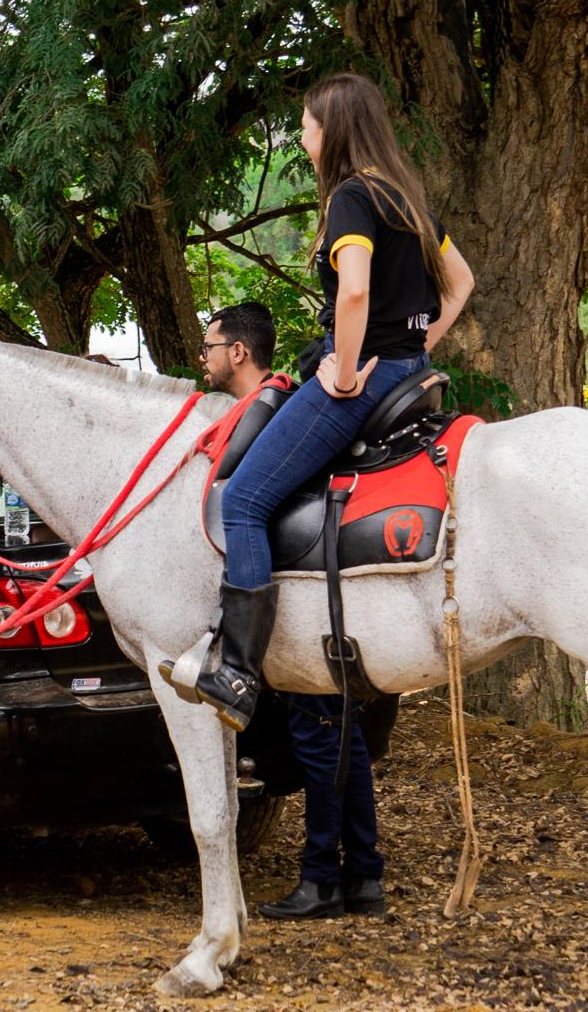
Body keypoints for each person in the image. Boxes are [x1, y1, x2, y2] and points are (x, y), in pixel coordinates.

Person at [176, 71, 474, 736]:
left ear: (332, 130)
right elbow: (461, 281)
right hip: (407, 369)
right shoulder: (406, 198)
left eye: (308, 127)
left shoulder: (351, 196)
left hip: (360, 377)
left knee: (243, 500)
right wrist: (418, 343)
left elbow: (355, 292)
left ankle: (237, 673)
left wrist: (342, 369)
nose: (304, 138)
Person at [199, 302, 390, 920]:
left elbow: (231, 493)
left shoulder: (267, 409)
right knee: (341, 737)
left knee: (317, 736)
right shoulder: (276, 407)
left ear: (238, 352)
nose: (202, 358)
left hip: (297, 604)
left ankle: (322, 879)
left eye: (209, 346)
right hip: (311, 594)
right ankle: (364, 875)